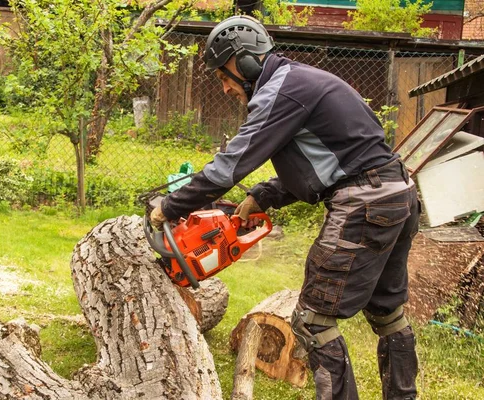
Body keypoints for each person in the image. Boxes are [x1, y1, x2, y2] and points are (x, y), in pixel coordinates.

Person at [150, 15, 419, 400]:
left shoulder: (281, 90)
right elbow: (332, 161)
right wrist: (264, 195)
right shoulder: (299, 82)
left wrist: (171, 206)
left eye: (224, 76)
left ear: (244, 62)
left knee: (312, 321)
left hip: (365, 202)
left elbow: (231, 164)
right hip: (396, 193)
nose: (225, 87)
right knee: (388, 313)